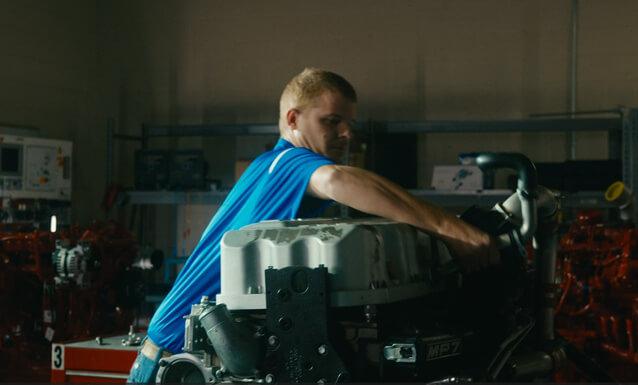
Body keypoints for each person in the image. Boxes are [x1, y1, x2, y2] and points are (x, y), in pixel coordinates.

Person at [127, 68, 498, 383]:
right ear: (293, 119)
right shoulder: (289, 164)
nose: (346, 134)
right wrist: (453, 230)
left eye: (349, 124)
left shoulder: (270, 165)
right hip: (182, 359)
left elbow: (350, 181)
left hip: (191, 350)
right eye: (332, 121)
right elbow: (338, 180)